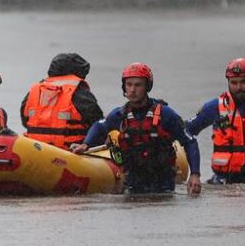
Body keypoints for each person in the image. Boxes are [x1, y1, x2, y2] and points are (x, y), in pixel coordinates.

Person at [71, 63, 202, 194]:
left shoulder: (166, 114)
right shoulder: (119, 115)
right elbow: (99, 127)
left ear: (147, 87)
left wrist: (195, 174)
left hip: (163, 187)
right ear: (124, 87)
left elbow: (190, 142)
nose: (132, 90)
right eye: (129, 85)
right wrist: (85, 144)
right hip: (132, 184)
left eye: (138, 85)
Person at [21, 52, 104, 149]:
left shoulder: (34, 91)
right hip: (70, 150)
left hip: (35, 149)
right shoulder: (78, 92)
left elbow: (25, 120)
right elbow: (98, 123)